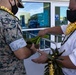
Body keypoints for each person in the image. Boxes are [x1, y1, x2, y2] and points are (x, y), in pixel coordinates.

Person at [31, 0, 76, 75]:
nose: (69, 12)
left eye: (72, 10)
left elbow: (73, 62)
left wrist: (49, 58)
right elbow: (61, 29)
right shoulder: (73, 25)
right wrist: (46, 30)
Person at [0, 0, 38, 75]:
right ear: (11, 0)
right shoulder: (8, 20)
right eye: (17, 4)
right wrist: (32, 50)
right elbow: (21, 53)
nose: (17, 7)